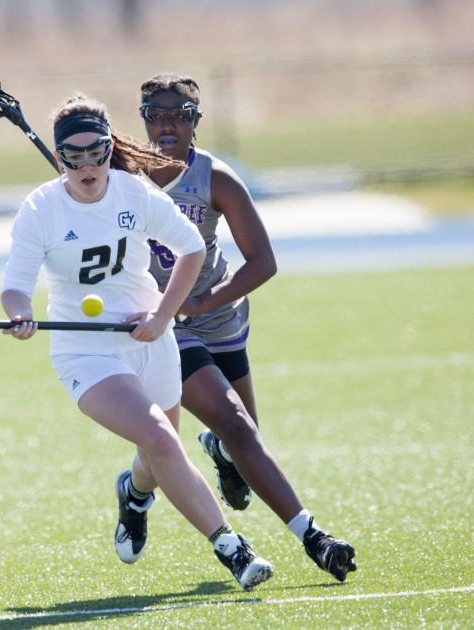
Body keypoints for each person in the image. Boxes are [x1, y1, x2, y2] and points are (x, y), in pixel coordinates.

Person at [0, 94, 274, 591]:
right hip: (86, 351)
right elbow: (15, 285)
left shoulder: (133, 192)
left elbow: (190, 246)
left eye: (96, 151)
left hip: (151, 338)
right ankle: (233, 548)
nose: (87, 164)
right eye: (73, 155)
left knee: (155, 456)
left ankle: (133, 494)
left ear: (111, 147)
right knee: (160, 438)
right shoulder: (40, 208)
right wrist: (19, 314)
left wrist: (162, 314)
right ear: (59, 155)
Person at [136, 73, 356, 581]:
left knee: (244, 434)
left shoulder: (216, 178)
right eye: (156, 113)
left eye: (181, 114)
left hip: (217, 316)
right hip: (166, 324)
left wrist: (205, 301)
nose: (167, 124)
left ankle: (188, 462)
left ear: (197, 120)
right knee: (234, 422)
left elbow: (263, 262)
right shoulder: (123, 172)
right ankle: (314, 537)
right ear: (143, 118)